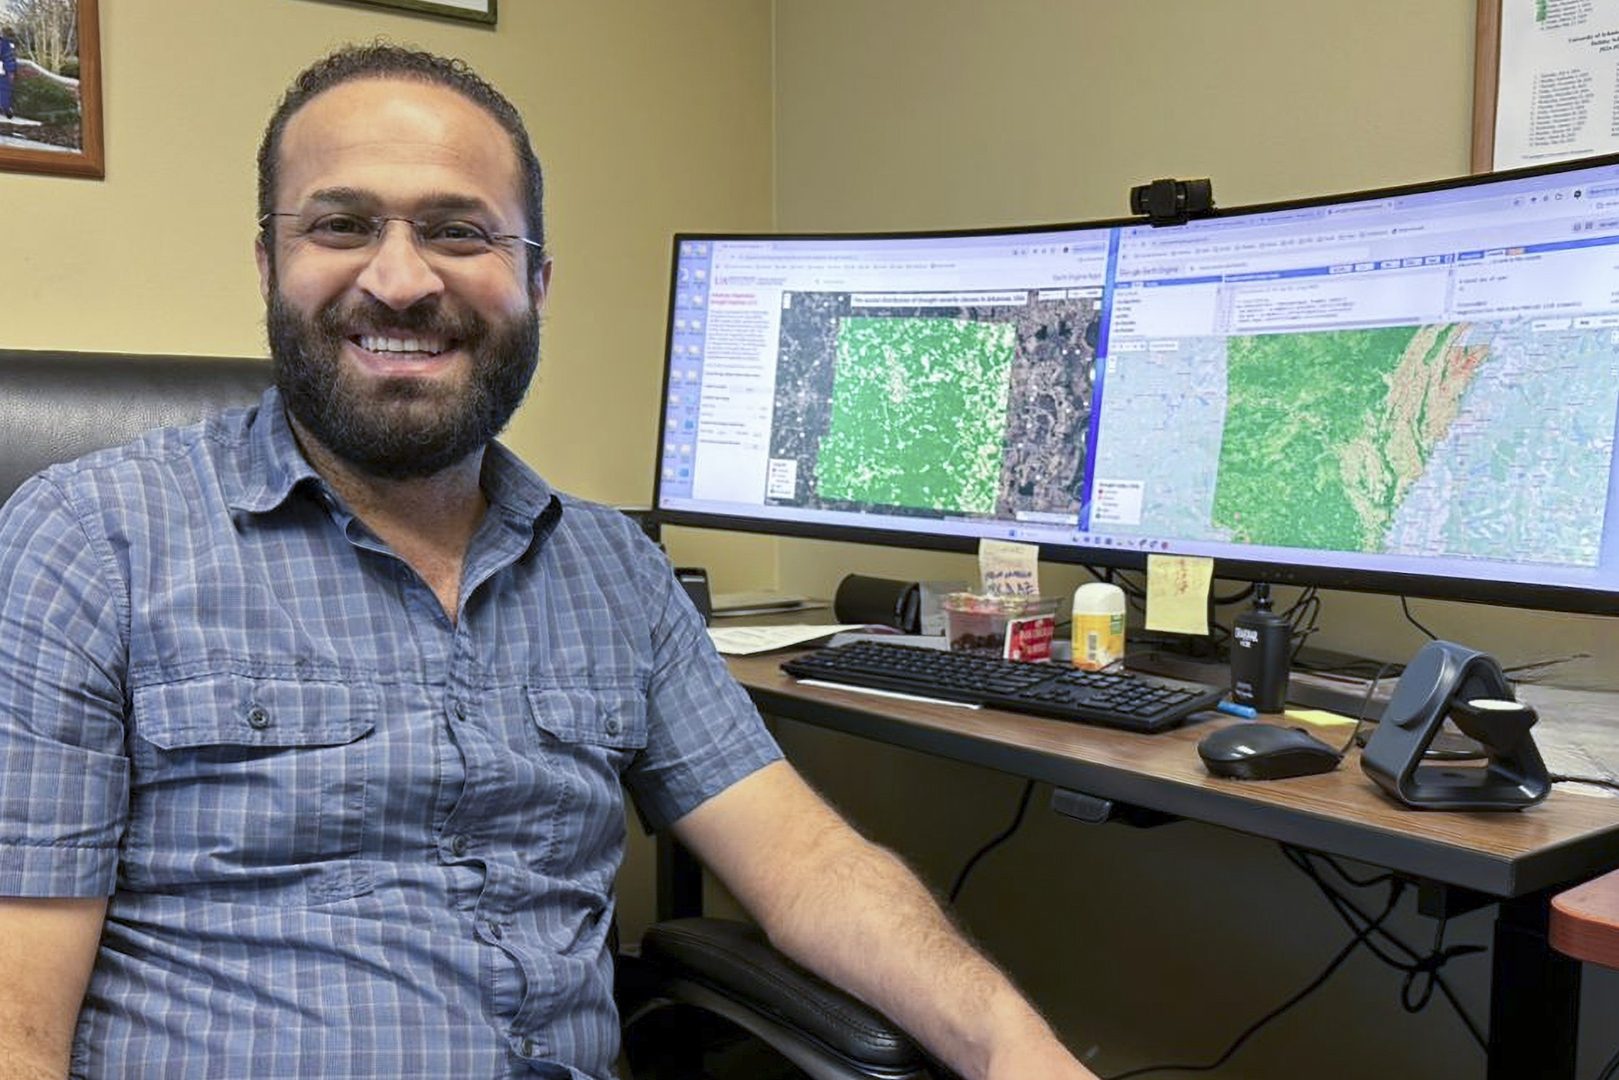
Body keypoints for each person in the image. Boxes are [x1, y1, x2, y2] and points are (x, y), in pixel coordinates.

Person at [0, 44, 1098, 1080]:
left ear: (536, 281)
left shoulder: (614, 571)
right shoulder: (94, 542)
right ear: (268, 264)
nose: (398, 278)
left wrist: (1013, 1048)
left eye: (458, 231)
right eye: (341, 225)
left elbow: (805, 865)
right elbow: (17, 1021)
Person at [0, 27, 17, 121]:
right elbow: (9, 58)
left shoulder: (5, 43)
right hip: (3, 71)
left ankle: (6, 108)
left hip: (2, 70)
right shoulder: (6, 44)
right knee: (4, 89)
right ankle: (6, 108)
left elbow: (8, 58)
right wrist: (11, 71)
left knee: (4, 89)